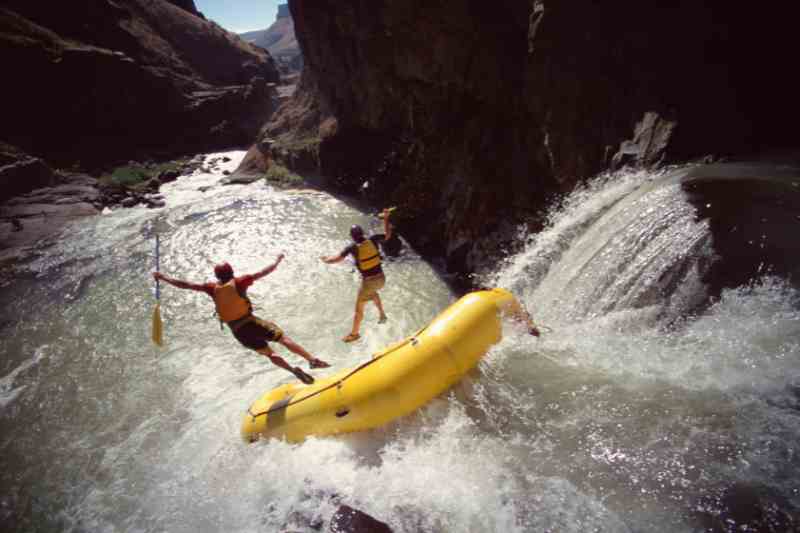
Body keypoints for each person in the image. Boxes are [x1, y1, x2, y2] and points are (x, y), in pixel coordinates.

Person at [152, 254, 329, 384]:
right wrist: (277, 260)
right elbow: (264, 272)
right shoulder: (240, 282)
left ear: (217, 276)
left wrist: (163, 277)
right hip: (251, 322)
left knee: (270, 354)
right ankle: (311, 360)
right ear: (232, 272)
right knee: (283, 339)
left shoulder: (211, 288)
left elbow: (186, 285)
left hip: (237, 332)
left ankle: (291, 370)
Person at [321, 208, 393, 342]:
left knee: (359, 309)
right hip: (381, 279)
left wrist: (325, 260)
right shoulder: (373, 239)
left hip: (369, 282)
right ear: (363, 233)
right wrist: (386, 218)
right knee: (372, 293)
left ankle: (354, 334)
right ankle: (382, 315)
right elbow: (388, 234)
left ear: (352, 236)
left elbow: (335, 260)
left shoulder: (352, 247)